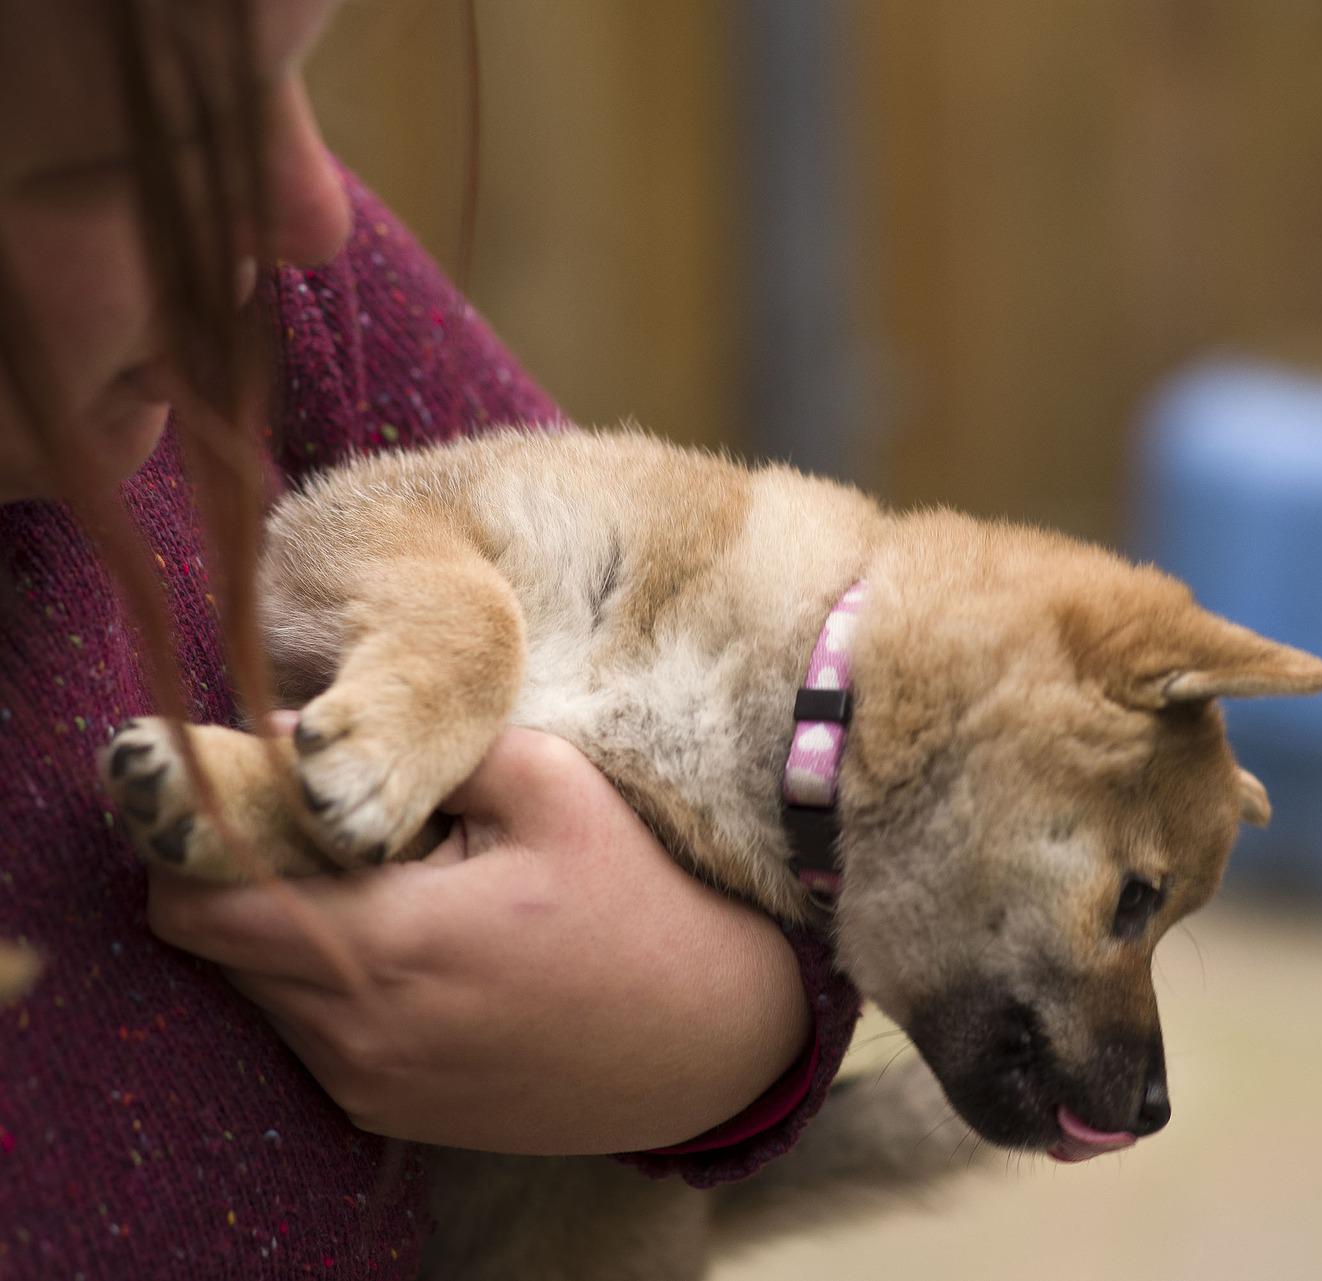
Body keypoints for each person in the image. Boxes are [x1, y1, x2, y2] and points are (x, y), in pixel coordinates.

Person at [0, 1, 860, 1276]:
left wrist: (721, 1019)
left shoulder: (290, 308)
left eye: (300, 77)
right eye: (156, 146)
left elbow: (803, 727)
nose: (312, 212)